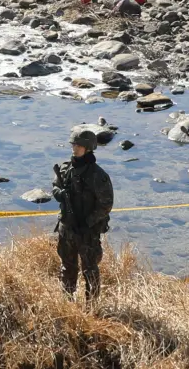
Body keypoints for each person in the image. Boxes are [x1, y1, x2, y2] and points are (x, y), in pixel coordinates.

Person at [52, 125, 114, 300]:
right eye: (73, 145)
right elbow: (55, 186)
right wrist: (59, 194)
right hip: (67, 227)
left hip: (87, 231)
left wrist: (88, 223)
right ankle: (67, 300)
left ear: (88, 149)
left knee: (90, 270)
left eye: (78, 146)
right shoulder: (65, 169)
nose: (75, 148)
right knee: (67, 266)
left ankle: (92, 306)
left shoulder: (97, 175)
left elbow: (106, 205)